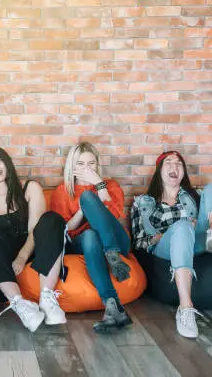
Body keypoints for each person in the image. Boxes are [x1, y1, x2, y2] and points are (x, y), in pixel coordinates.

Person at [130, 150, 212, 338]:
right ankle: (185, 308)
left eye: (178, 164)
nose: (174, 166)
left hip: (199, 241)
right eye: (168, 162)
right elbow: (139, 242)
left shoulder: (196, 196)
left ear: (183, 172)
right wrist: (166, 234)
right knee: (183, 226)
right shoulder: (143, 203)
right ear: (159, 171)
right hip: (165, 249)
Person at [35, 142, 133, 333]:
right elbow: (66, 231)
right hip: (82, 242)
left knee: (89, 198)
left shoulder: (110, 186)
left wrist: (98, 184)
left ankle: (112, 255)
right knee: (88, 234)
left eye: (91, 164)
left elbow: (112, 215)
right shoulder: (63, 192)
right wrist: (82, 210)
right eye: (80, 164)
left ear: (98, 165)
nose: (86, 169)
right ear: (72, 167)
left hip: (115, 240)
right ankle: (113, 306)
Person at [0, 146, 64, 333]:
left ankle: (47, 299)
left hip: (35, 247)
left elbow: (36, 228)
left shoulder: (30, 188)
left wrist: (22, 256)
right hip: (6, 254)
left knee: (52, 219)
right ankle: (20, 304)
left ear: (6, 162)